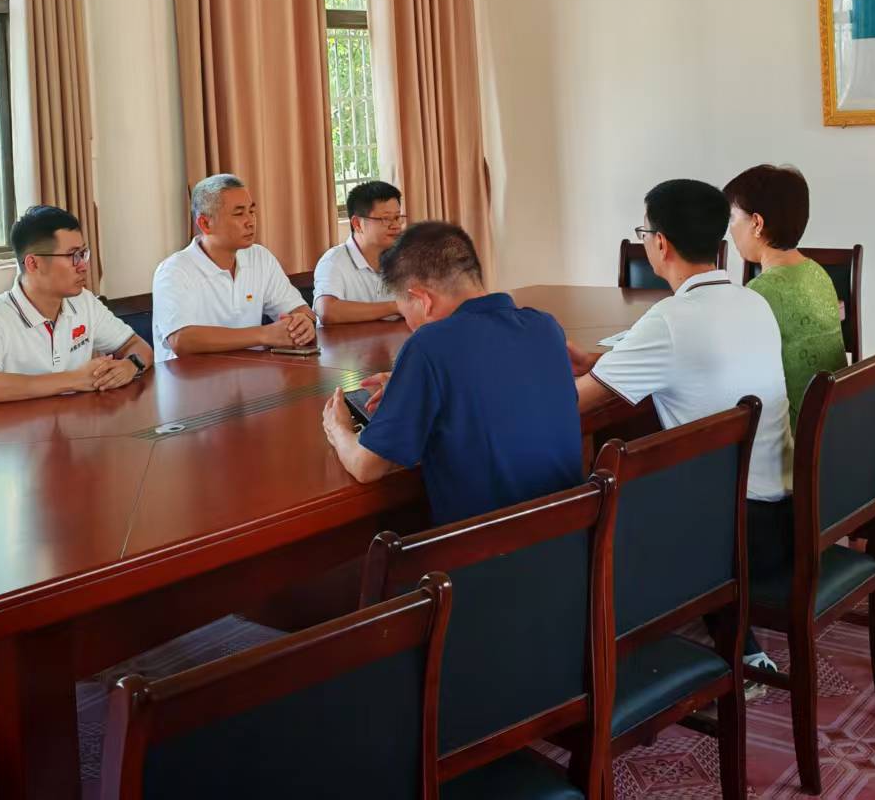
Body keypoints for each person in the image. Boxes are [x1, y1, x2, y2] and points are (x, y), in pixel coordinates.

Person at [567, 179, 788, 689]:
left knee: (593, 496)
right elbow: (692, 357)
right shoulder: (752, 302)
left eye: (645, 232)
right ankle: (740, 645)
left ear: (660, 243)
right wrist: (606, 359)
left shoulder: (670, 319)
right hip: (777, 515)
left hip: (725, 530)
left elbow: (576, 402)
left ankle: (607, 660)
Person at [320, 221, 582, 525]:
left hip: (487, 548)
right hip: (572, 536)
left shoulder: (429, 346)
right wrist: (411, 387)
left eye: (406, 314)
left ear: (423, 300)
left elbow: (367, 467)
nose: (410, 326)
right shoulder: (545, 326)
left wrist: (339, 429)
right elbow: (499, 388)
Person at [0, 205, 155, 406]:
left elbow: (138, 347)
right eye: (72, 256)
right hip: (16, 426)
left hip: (75, 421)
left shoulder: (83, 302)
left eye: (83, 253)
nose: (83, 266)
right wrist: (75, 380)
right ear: (33, 264)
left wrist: (131, 365)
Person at [723, 164, 847, 430]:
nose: (729, 230)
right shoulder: (817, 272)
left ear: (756, 223)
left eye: (732, 218)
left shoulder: (761, 291)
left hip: (793, 433)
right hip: (834, 423)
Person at [150, 174, 316, 360]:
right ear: (205, 223)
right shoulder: (174, 270)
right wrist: (264, 334)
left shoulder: (259, 257)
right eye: (239, 214)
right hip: (192, 376)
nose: (250, 221)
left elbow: (300, 310)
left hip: (252, 372)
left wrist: (303, 323)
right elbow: (182, 340)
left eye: (252, 211)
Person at [312, 180, 404, 325]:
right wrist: (395, 307)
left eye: (398, 217)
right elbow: (327, 311)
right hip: (346, 340)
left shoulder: (404, 259)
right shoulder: (333, 261)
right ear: (357, 224)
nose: (396, 226)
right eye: (386, 219)